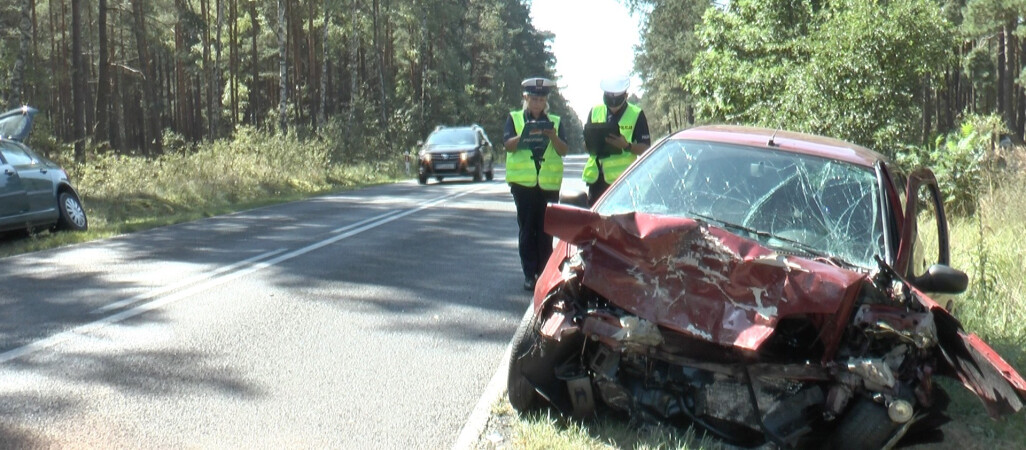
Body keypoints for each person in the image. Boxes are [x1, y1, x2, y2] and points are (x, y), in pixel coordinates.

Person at [504, 77, 569, 291]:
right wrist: (524, 135)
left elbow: (563, 150)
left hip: (548, 184)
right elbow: (508, 145)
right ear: (526, 99)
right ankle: (529, 274)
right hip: (524, 185)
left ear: (546, 101)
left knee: (545, 230)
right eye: (533, 99)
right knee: (527, 228)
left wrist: (552, 136)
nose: (537, 103)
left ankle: (545, 273)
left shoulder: (556, 122)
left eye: (541, 99)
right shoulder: (514, 119)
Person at [582, 75, 651, 206]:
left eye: (617, 101)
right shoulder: (595, 111)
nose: (613, 106)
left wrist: (627, 146)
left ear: (626, 95)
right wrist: (591, 143)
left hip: (623, 182)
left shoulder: (636, 114)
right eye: (609, 100)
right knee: (596, 223)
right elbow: (586, 146)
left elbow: (646, 148)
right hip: (597, 180)